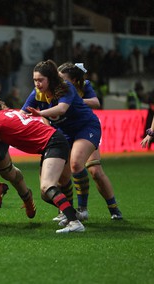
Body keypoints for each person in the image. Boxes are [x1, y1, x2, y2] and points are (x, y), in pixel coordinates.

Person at [0, 92, 84, 234]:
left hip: (53, 143)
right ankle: (72, 214)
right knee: (44, 193)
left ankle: (74, 222)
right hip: (53, 141)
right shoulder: (10, 112)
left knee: (47, 186)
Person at [21, 59, 102, 224]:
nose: (37, 83)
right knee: (62, 178)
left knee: (76, 164)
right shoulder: (36, 93)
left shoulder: (65, 87)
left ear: (50, 78)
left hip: (85, 127)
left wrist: (40, 114)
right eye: (35, 80)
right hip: (63, 132)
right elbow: (22, 113)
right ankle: (67, 211)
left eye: (40, 80)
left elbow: (62, 108)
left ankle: (82, 210)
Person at [57, 62, 122, 220]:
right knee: (61, 173)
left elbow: (96, 102)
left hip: (85, 128)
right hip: (66, 130)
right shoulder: (54, 88)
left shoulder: (83, 85)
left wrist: (74, 100)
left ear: (73, 80)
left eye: (63, 79)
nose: (59, 82)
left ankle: (113, 208)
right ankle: (67, 211)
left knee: (95, 170)